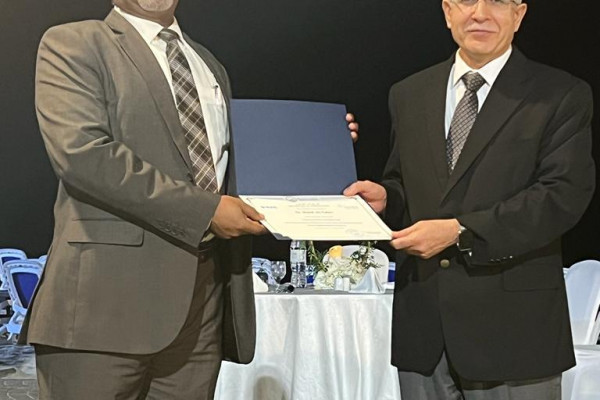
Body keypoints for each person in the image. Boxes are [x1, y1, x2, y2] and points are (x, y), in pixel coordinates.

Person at [22, 0, 357, 398]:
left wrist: (318, 147)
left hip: (201, 309)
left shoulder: (209, 65)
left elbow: (235, 163)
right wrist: (206, 211)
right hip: (103, 309)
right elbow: (84, 156)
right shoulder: (75, 42)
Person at [344, 0, 595, 398]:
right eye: (466, 1)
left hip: (514, 335)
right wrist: (386, 199)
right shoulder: (408, 93)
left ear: (519, 14)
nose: (479, 13)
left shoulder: (560, 94)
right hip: (423, 329)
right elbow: (406, 183)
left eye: (497, 1)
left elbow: (561, 196)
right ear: (447, 12)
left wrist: (461, 232)